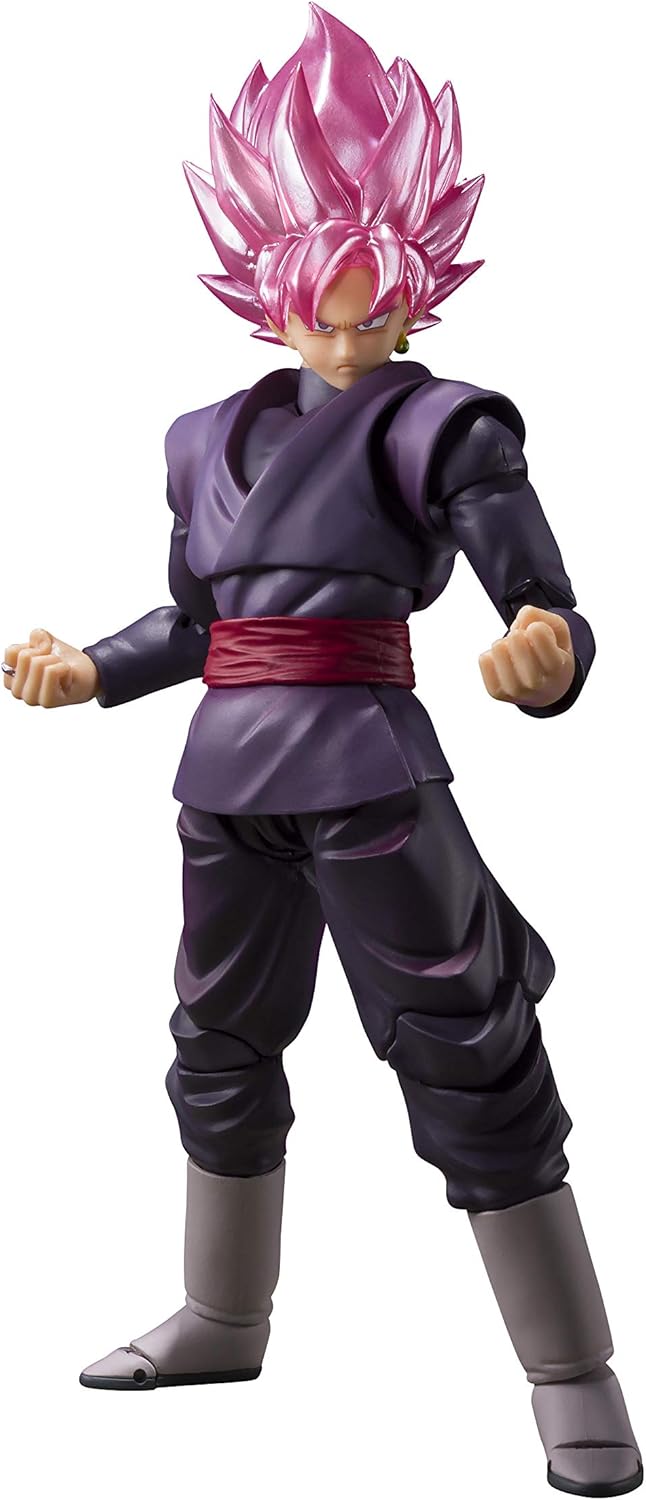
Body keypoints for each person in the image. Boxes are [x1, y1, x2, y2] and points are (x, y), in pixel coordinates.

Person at [3, 6, 641, 1494]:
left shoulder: (446, 428)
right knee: (218, 1044)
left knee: (467, 1047)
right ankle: (225, 1317)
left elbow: (541, 602)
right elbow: (196, 623)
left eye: (376, 313)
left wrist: (544, 655)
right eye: (322, 312)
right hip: (226, 781)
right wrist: (89, 667)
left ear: (415, 296)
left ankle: (572, 1373)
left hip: (368, 773)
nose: (349, 339)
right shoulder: (198, 438)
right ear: (266, 290)